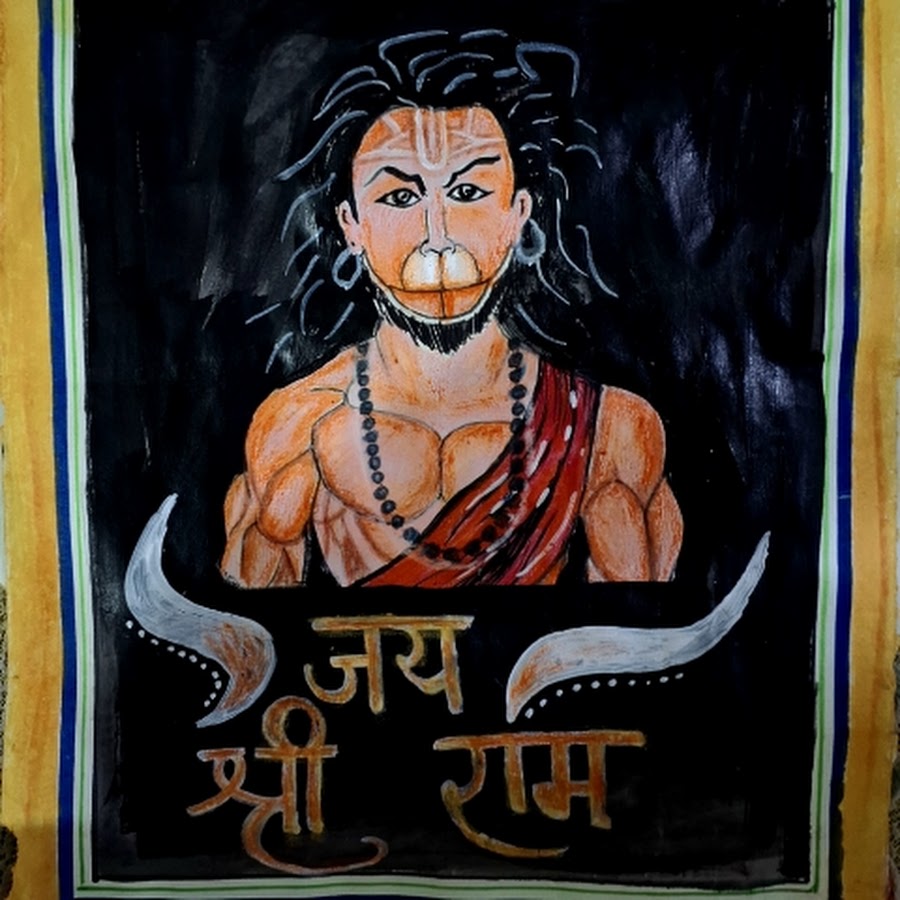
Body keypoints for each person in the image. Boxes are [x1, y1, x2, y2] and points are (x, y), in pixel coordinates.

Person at [220, 31, 683, 588]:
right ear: (351, 226)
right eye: (400, 197)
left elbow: (633, 633)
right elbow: (252, 633)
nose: (437, 238)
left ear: (518, 215)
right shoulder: (294, 430)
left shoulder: (609, 431)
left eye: (468, 193)